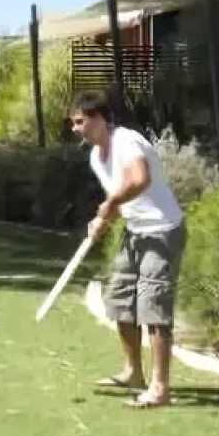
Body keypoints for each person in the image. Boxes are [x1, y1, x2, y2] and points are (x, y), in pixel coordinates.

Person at [71, 91, 187, 410]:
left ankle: (160, 389)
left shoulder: (127, 142)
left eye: (79, 121)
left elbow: (139, 180)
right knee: (121, 301)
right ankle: (133, 373)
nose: (75, 128)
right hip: (135, 232)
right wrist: (103, 221)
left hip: (161, 232)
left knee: (155, 309)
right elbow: (122, 201)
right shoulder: (97, 156)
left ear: (98, 119)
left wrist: (109, 204)